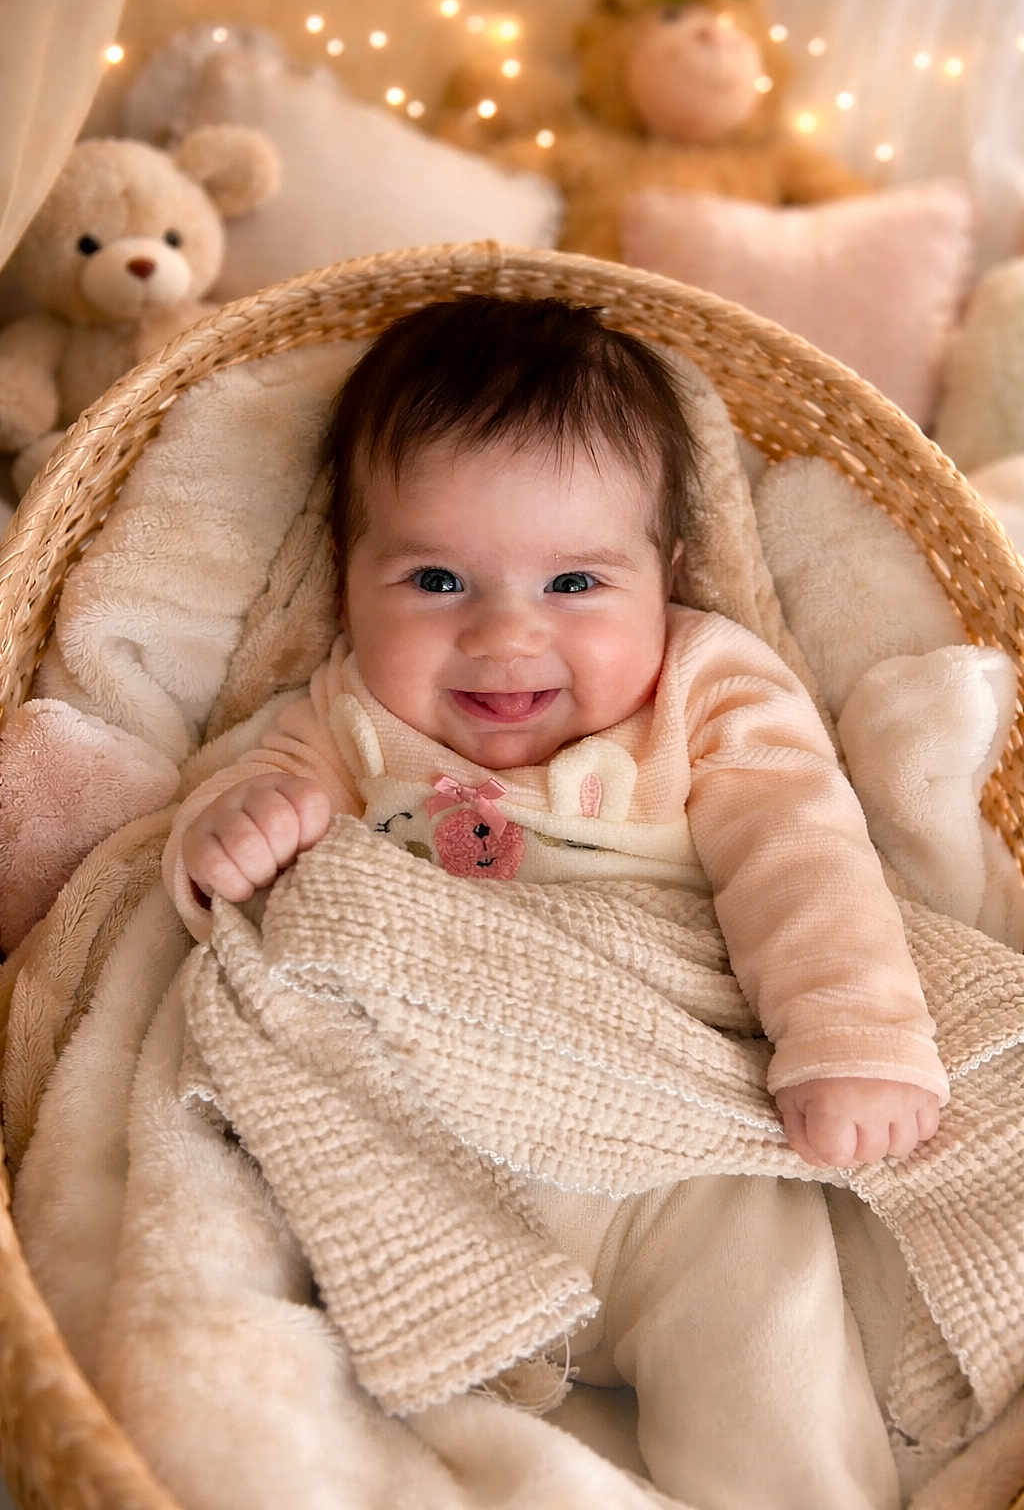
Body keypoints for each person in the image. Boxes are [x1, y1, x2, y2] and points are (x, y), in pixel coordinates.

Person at [163, 295, 947, 1509]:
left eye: (575, 579)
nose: (503, 635)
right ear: (345, 580)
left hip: (669, 1149)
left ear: (668, 576)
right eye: (434, 578)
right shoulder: (347, 717)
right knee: (298, 1329)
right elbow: (246, 839)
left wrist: (849, 1033)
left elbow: (801, 856)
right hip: (417, 1155)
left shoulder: (706, 693)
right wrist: (236, 828)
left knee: (759, 1311)